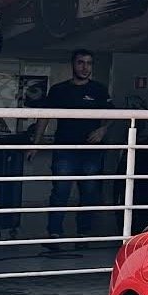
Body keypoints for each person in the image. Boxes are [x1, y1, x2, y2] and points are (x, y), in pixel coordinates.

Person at [26, 50, 113, 253]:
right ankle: (54, 234)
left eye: (89, 63)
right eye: (81, 62)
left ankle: (83, 234)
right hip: (65, 149)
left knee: (89, 193)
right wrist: (35, 144)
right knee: (60, 191)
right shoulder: (59, 90)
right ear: (73, 65)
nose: (85, 67)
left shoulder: (99, 90)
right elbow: (44, 117)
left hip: (91, 151)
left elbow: (113, 114)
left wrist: (102, 129)